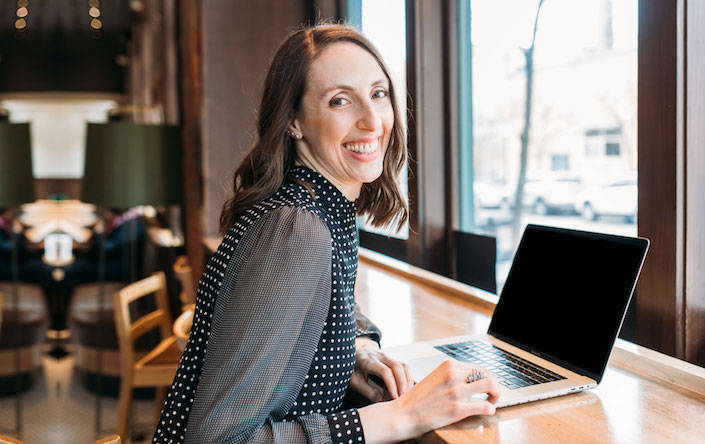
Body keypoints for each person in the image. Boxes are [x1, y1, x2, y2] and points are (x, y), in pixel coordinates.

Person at [153, 24, 500, 444]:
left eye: (378, 93)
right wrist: (403, 416)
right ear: (294, 121)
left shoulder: (320, 206)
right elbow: (215, 439)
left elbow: (324, 302)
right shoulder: (295, 230)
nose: (372, 121)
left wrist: (356, 348)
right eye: (340, 101)